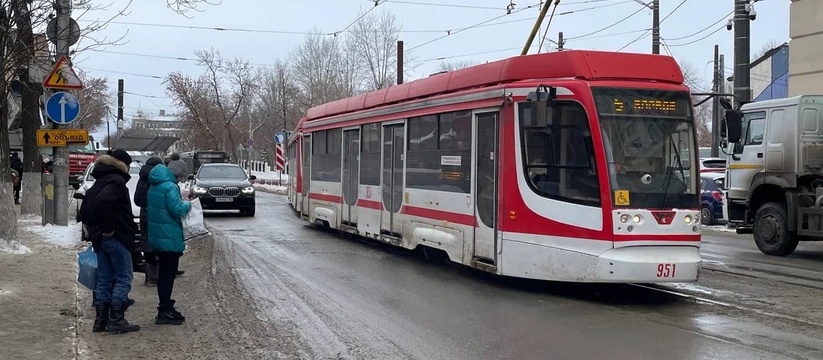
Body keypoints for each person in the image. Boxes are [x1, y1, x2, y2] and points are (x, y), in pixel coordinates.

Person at [79, 149, 140, 334]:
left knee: (104, 279)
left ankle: (101, 320)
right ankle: (116, 319)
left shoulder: (100, 180)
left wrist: (96, 230)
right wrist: (109, 229)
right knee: (123, 277)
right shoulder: (116, 181)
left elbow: (86, 209)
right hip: (115, 238)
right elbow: (103, 203)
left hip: (100, 239)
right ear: (122, 164)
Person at [147, 163, 192, 325]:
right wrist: (188, 203)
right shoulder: (170, 187)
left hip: (158, 236)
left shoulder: (154, 185)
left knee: (163, 272)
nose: (181, 180)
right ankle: (164, 310)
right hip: (170, 237)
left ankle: (165, 306)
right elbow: (178, 210)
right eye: (181, 176)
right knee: (168, 274)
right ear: (176, 175)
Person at [134, 156, 163, 286]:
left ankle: (150, 276)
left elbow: (137, 200)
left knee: (146, 242)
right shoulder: (161, 179)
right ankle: (160, 274)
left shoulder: (142, 179)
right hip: (160, 215)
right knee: (160, 243)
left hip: (145, 215)